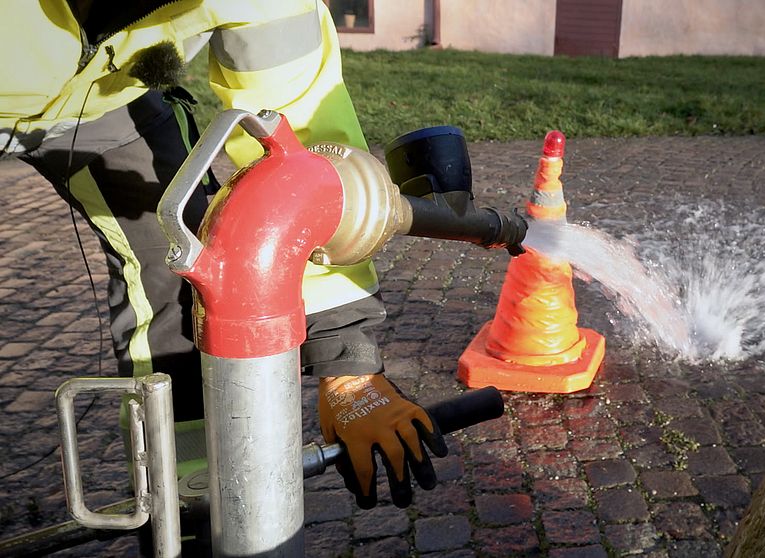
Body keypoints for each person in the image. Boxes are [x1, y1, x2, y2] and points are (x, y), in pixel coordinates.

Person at [1, 0, 444, 521]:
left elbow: (303, 167)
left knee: (186, 258)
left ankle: (187, 500)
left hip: (101, 99)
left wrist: (346, 365)